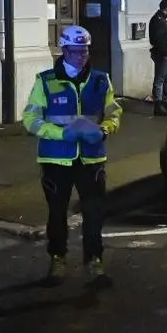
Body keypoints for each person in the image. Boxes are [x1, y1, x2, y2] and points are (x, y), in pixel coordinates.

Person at [22, 25, 121, 289]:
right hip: (56, 159)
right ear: (63, 50)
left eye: (84, 51)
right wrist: (59, 133)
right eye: (75, 51)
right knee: (57, 213)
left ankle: (94, 262)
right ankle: (57, 259)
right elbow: (30, 119)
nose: (81, 56)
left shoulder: (101, 80)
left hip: (91, 158)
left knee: (95, 212)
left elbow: (114, 113)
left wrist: (104, 130)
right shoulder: (45, 81)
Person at [148, 0, 167, 116]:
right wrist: (165, 54)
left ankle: (166, 102)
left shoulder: (162, 20)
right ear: (165, 9)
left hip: (166, 56)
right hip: (162, 55)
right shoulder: (158, 21)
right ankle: (159, 105)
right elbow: (159, 40)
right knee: (160, 80)